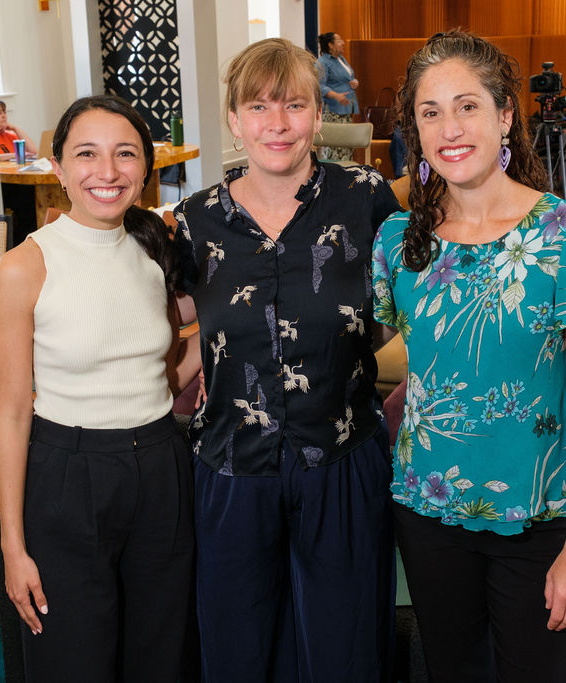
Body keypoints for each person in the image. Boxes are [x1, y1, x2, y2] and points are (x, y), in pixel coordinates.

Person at [372, 30, 566, 682]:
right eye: (429, 112)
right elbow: (358, 350)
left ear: (505, 116)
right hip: (427, 510)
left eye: (467, 106)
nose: (449, 128)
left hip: (542, 523)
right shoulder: (399, 241)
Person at [172, 38, 400, 682]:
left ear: (317, 114)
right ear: (233, 119)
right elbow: (186, 330)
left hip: (342, 456)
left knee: (345, 639)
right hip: (230, 463)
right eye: (259, 107)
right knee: (237, 637)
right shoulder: (196, 220)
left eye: (294, 105)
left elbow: (415, 307)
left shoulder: (365, 198)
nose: (277, 124)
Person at [0, 94, 200, 682]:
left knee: (162, 651)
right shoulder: (23, 267)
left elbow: (160, 375)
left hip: (162, 464)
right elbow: (10, 413)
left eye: (125, 154)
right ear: (57, 167)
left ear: (145, 167)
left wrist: (224, 323)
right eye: (87, 154)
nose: (107, 173)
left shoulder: (154, 245)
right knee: (72, 658)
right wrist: (12, 545)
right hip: (68, 475)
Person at [317, 32, 359, 161]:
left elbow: (348, 77)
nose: (343, 43)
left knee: (346, 145)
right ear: (330, 45)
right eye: (339, 40)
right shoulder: (322, 62)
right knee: (334, 147)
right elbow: (319, 85)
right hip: (332, 111)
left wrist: (354, 82)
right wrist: (336, 96)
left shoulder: (341, 59)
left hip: (346, 110)